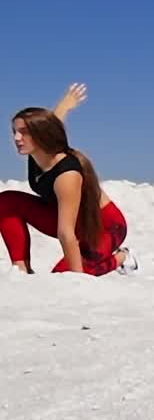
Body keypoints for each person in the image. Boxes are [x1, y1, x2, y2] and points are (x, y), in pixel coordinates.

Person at [1, 83, 137, 277]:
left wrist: (76, 280)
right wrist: (66, 104)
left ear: (41, 135)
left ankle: (122, 258)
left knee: (63, 274)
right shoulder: (37, 153)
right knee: (5, 201)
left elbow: (66, 233)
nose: (16, 138)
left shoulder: (67, 176)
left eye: (24, 132)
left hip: (103, 227)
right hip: (67, 220)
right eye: (14, 131)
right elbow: (53, 122)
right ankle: (21, 268)